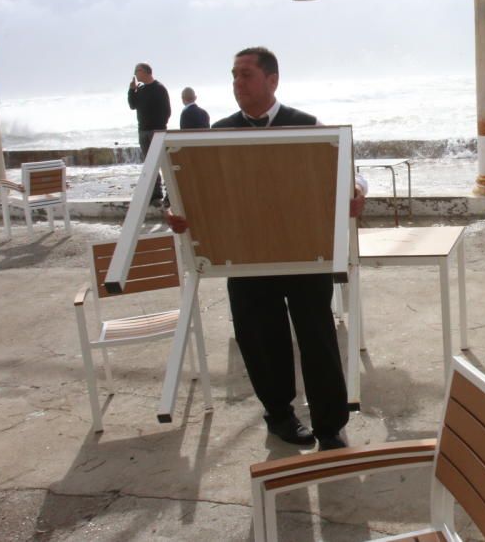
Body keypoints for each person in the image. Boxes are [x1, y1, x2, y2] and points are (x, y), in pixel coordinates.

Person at [166, 46, 366, 451]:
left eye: (245, 75)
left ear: (272, 80)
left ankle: (330, 426)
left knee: (317, 337)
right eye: (234, 75)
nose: (237, 83)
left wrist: (358, 190)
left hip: (304, 251)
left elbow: (349, 170)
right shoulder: (216, 133)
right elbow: (188, 185)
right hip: (245, 256)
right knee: (260, 340)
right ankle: (280, 417)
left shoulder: (307, 126)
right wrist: (175, 209)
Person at [127, 63, 171, 206]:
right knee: (150, 165)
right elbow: (132, 105)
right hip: (143, 131)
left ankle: (170, 194)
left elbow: (167, 111)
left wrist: (159, 127)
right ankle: (155, 195)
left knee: (164, 163)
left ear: (145, 72)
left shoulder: (159, 88)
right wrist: (131, 90)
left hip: (156, 131)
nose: (135, 74)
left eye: (137, 71)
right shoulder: (140, 89)